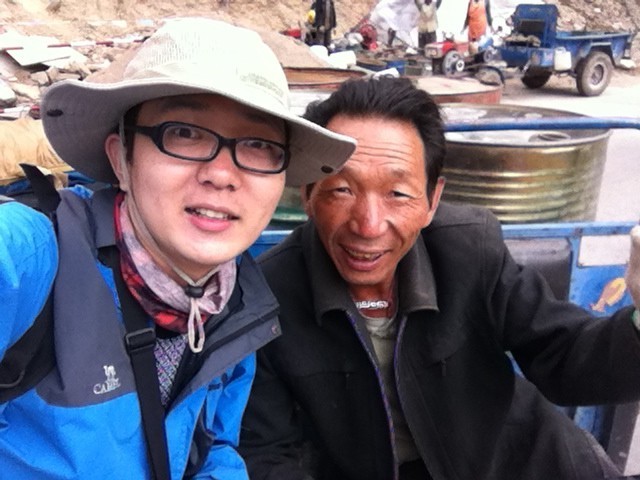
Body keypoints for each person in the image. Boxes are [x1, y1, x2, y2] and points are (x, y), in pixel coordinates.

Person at [0, 17, 354, 479]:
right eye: (184, 133)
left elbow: (213, 449)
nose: (222, 174)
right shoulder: (30, 257)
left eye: (257, 144)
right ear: (121, 159)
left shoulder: (235, 301)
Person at [238, 75, 640, 480]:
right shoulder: (268, 298)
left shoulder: (470, 250)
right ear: (308, 194)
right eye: (342, 190)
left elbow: (566, 357)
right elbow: (267, 454)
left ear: (432, 200)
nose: (369, 225)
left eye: (398, 193)